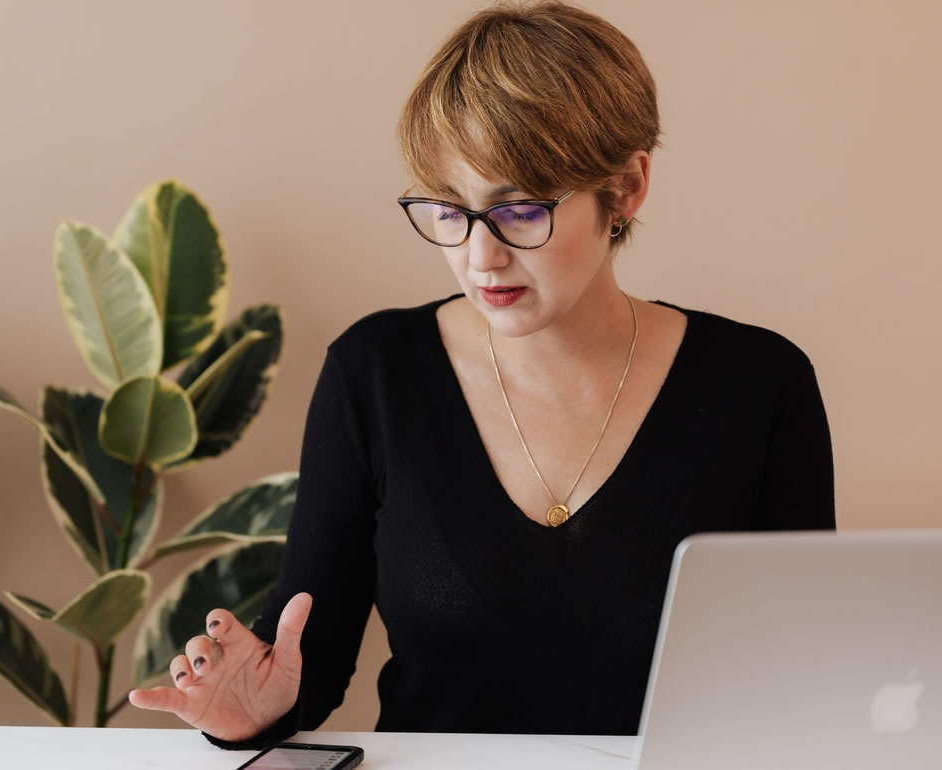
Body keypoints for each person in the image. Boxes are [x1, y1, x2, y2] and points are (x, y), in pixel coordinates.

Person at [128, 0, 835, 747]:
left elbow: (806, 673)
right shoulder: (374, 375)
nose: (479, 257)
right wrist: (255, 709)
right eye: (448, 209)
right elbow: (312, 657)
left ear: (625, 189)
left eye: (519, 212)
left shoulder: (762, 387)